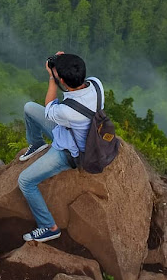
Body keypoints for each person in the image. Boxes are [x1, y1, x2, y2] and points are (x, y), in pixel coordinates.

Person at [17, 52, 104, 243]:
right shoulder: (97, 84)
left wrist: (51, 77)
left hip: (68, 152)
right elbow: (77, 82)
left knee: (25, 181)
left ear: (62, 80)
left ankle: (48, 226)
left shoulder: (67, 111)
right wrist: (66, 62)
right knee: (29, 107)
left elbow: (49, 108)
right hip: (71, 130)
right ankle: (37, 143)